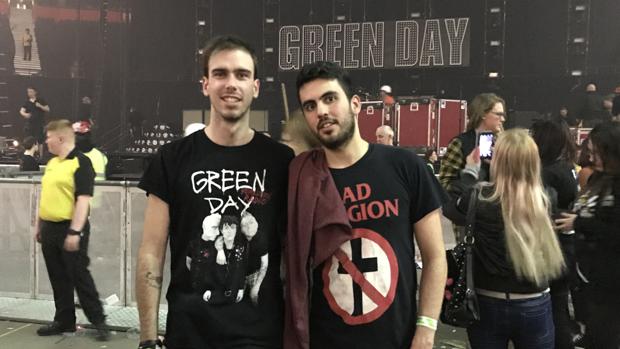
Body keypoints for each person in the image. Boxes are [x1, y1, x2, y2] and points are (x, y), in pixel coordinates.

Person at [136, 35, 294, 349]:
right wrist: (148, 339)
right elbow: (151, 252)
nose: (231, 83)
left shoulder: (281, 161)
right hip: (189, 333)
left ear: (256, 87)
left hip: (260, 336)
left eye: (242, 74)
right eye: (220, 73)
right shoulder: (172, 159)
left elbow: (293, 254)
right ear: (205, 84)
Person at [286, 60, 448, 349]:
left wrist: (426, 330)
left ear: (356, 104)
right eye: (310, 106)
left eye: (329, 98)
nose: (321, 111)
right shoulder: (300, 178)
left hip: (397, 339)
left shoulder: (406, 166)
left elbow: (435, 256)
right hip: (327, 340)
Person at [444, 129, 565, 349]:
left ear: (497, 160)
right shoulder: (547, 199)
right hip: (534, 301)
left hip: (486, 302)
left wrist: (471, 171)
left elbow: (451, 207)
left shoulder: (477, 198)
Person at [35, 120, 109, 341]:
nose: (46, 141)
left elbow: (83, 200)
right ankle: (64, 320)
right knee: (57, 276)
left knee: (79, 275)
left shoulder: (81, 163)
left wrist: (75, 232)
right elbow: (45, 197)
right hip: (49, 228)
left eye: (48, 137)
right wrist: (39, 226)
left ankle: (98, 320)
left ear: (60, 138)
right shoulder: (52, 163)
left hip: (70, 228)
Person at [556, 121, 620, 348]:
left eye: (597, 152)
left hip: (611, 284)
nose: (592, 158)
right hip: (586, 276)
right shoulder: (595, 179)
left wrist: (581, 222)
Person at [531, 120, 580, 349]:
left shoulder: (547, 173)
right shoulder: (566, 166)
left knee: (552, 308)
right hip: (567, 244)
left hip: (553, 246)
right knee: (559, 305)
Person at [439, 93, 505, 192]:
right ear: (483, 114)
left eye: (503, 115)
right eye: (498, 114)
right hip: (469, 204)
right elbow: (445, 184)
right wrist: (469, 179)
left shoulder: (504, 144)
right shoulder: (460, 143)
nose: (503, 119)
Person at [20, 87, 50, 154]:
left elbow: (48, 109)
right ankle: (30, 154)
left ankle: (40, 156)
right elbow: (21, 111)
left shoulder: (40, 100)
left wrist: (40, 106)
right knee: (29, 139)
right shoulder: (27, 102)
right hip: (30, 124)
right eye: (28, 92)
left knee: (40, 140)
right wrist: (25, 114)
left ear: (35, 92)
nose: (29, 93)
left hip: (39, 124)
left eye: (31, 91)